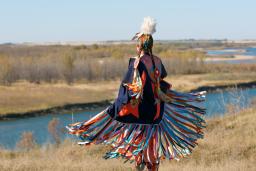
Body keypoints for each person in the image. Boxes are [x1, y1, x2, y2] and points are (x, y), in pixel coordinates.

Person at [66, 17, 206, 171]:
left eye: (137, 44)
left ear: (140, 45)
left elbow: (129, 87)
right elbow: (160, 79)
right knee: (152, 148)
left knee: (139, 147)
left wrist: (116, 106)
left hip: (139, 113)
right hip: (156, 113)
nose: (136, 47)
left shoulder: (137, 62)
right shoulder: (157, 61)